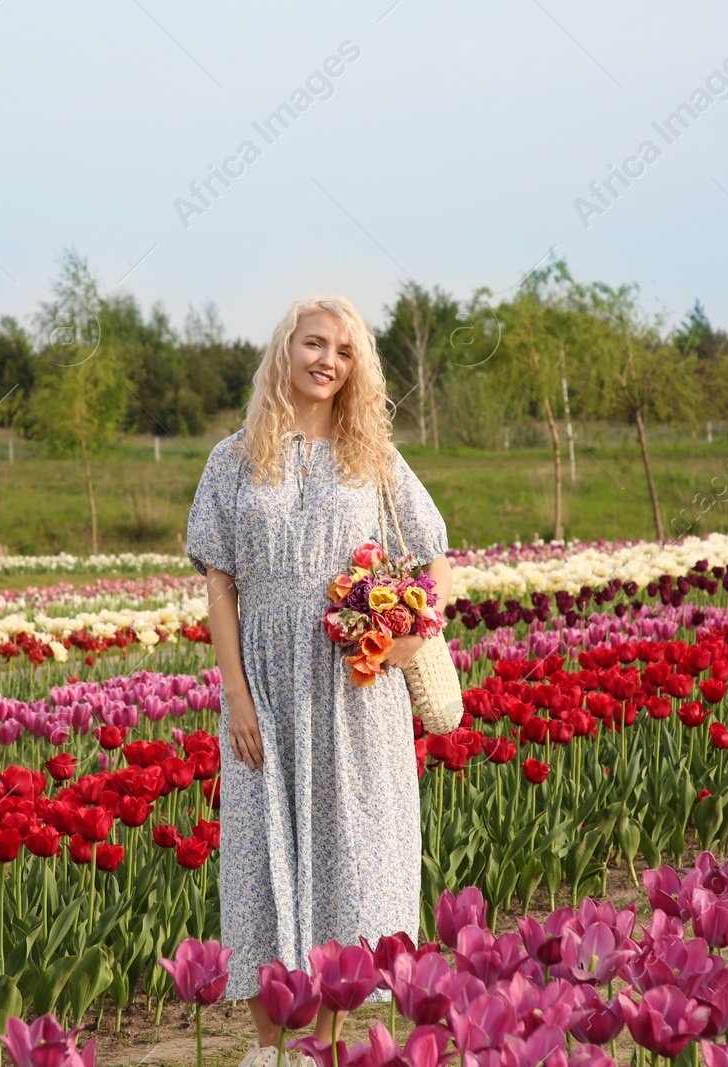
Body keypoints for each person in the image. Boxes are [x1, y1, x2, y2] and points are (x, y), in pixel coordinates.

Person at [184, 295, 452, 1067]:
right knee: (265, 859)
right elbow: (220, 586)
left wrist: (410, 634)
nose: (326, 359)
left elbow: (436, 557)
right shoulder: (233, 459)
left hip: (352, 688)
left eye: (343, 349)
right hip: (264, 685)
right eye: (313, 343)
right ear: (285, 351)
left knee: (349, 856)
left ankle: (327, 1051)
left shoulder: (374, 459)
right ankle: (269, 1052)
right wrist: (234, 693)